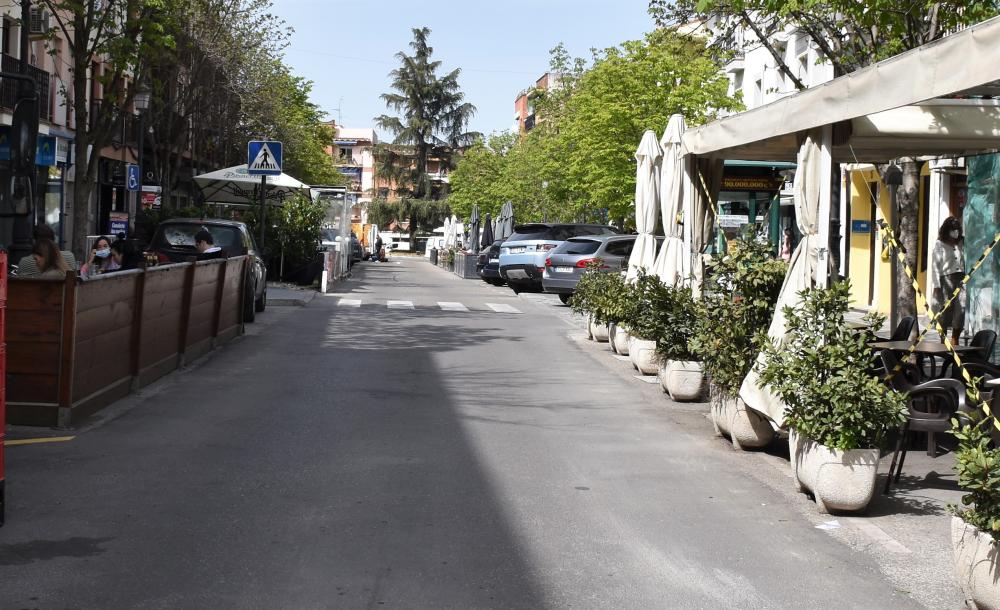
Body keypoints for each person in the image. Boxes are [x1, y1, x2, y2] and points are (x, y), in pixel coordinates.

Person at [932, 216, 966, 345]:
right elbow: (935, 265)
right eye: (953, 229)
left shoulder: (962, 242)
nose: (955, 232)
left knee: (960, 309)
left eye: (957, 229)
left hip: (962, 278)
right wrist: (936, 286)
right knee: (944, 310)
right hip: (946, 279)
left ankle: (955, 338)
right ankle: (943, 339)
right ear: (947, 230)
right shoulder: (940, 244)